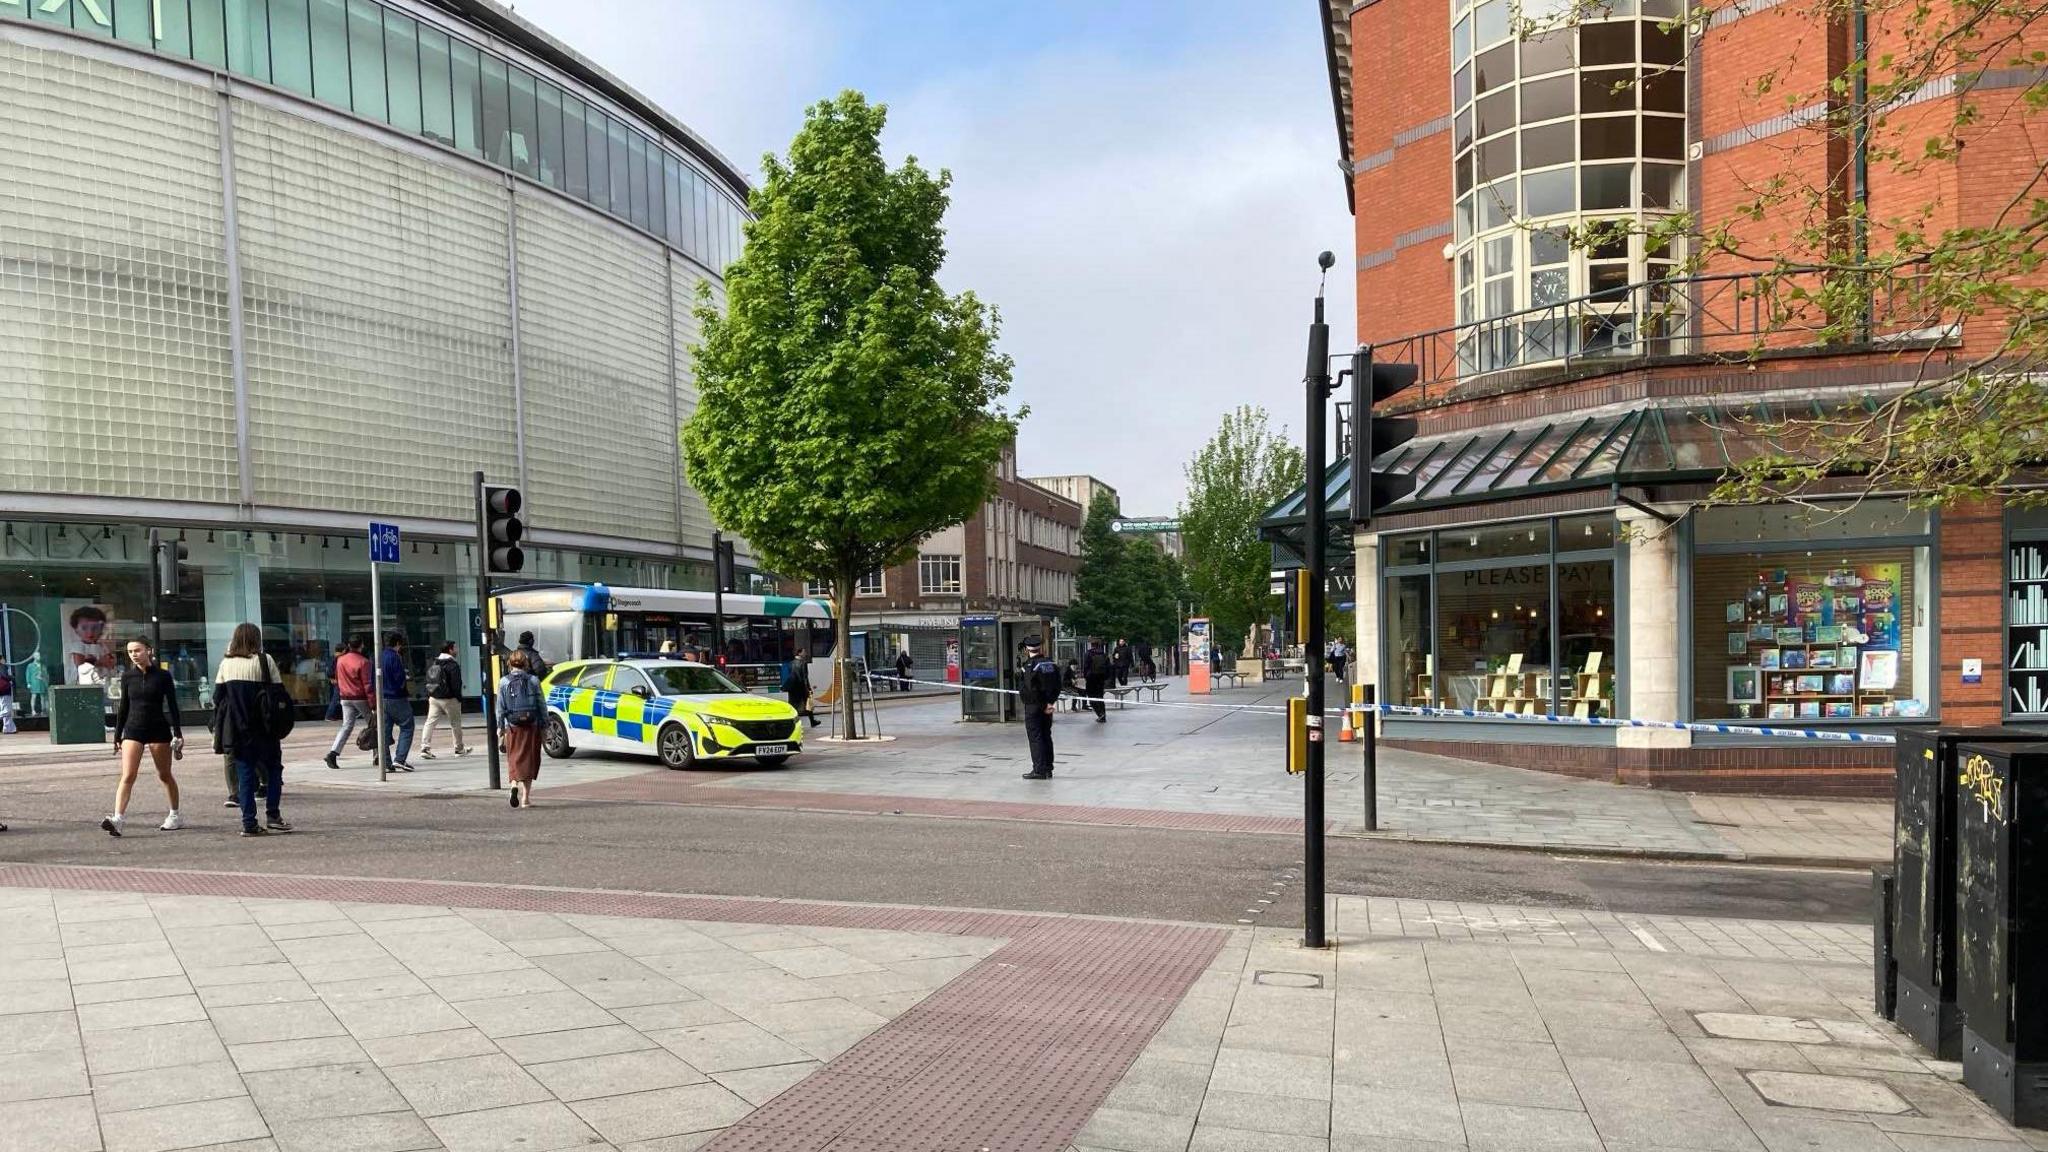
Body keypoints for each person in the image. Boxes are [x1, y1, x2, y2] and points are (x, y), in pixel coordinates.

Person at [211, 622, 291, 837]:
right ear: (258, 639)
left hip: (237, 729)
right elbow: (278, 692)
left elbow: (217, 697)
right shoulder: (265, 661)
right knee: (274, 770)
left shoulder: (226, 664)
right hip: (264, 727)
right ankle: (273, 815)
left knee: (245, 776)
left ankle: (249, 823)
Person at [102, 639, 183, 836]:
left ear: (149, 651)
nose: (134, 654)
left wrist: (178, 733)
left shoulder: (163, 676)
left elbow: (172, 705)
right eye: (130, 652)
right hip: (133, 728)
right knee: (128, 775)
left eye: (137, 650)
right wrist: (117, 734)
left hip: (158, 729)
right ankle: (118, 819)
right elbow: (123, 706)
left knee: (164, 774)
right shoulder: (128, 676)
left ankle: (175, 814)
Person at [498, 650, 544, 808]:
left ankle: (513, 786)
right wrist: (545, 724)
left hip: (512, 726)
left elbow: (500, 707)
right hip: (532, 725)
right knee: (529, 760)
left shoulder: (504, 681)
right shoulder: (533, 680)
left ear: (509, 663)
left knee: (514, 758)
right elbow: (541, 704)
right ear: (526, 663)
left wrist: (500, 728)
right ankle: (525, 798)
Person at [323, 637, 372, 770]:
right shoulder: (364, 662)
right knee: (373, 725)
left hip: (345, 697)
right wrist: (373, 703)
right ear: (361, 645)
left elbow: (338, 679)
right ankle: (377, 754)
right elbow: (367, 685)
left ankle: (333, 753)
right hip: (360, 697)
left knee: (346, 726)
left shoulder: (340, 660)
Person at [1017, 636, 1062, 779]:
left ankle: (1039, 769)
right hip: (1047, 706)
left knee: (1035, 738)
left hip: (1034, 706)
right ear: (1040, 648)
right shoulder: (1051, 663)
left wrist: (1043, 705)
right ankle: (1048, 768)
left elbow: (1032, 689)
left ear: (1027, 649)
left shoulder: (1029, 666)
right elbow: (1057, 685)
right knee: (1046, 736)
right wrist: (1050, 703)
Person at [419, 642, 470, 760]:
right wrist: (459, 698)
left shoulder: (435, 662)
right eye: (455, 648)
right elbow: (456, 684)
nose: (457, 650)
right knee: (455, 723)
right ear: (450, 650)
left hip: (434, 697)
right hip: (449, 699)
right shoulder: (453, 665)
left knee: (430, 722)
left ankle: (425, 748)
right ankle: (459, 748)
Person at [380, 631, 416, 771]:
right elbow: (399, 679)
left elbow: (372, 680)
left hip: (382, 698)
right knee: (407, 726)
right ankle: (400, 759)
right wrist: (404, 689)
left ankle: (387, 762)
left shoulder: (378, 656)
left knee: (384, 732)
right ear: (398, 644)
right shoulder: (395, 657)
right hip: (396, 698)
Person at [64, 604, 112, 685]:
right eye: (84, 628)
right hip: (83, 683)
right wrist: (99, 662)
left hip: (101, 682)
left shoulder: (102, 646)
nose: (90, 632)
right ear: (76, 630)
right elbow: (80, 664)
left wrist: (94, 661)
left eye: (95, 628)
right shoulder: (78, 646)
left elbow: (110, 662)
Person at [1082, 638, 1110, 723]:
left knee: (1091, 697)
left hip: (1091, 678)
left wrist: (1086, 676)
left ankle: (1100, 714)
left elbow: (1086, 666)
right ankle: (1103, 715)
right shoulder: (1104, 654)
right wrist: (1105, 677)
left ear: (1092, 645)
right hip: (1101, 678)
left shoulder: (1088, 654)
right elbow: (1108, 667)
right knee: (1100, 697)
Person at [784, 659, 819, 728]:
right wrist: (808, 688)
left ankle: (790, 722)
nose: (805, 653)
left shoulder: (790, 663)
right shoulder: (803, 663)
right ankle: (812, 721)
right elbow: (805, 677)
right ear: (800, 653)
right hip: (801, 687)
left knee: (793, 705)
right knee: (808, 704)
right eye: (804, 651)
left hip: (793, 687)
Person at [0, 660, 15, 735]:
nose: (4, 660)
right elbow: (5, 675)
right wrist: (12, 677)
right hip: (4, 690)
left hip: (2, 691)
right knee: (7, 710)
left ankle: (9, 728)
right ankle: (9, 728)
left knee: (5, 708)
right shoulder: (2, 666)